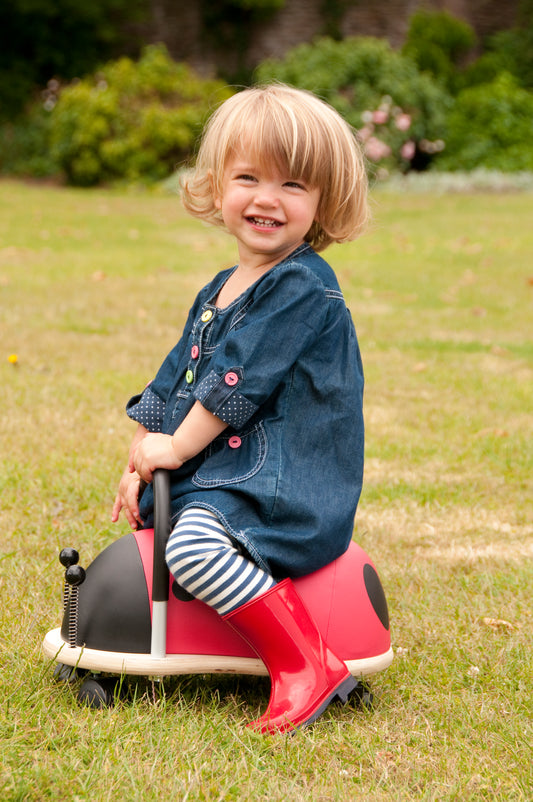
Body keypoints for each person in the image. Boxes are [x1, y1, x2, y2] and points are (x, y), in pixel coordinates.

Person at [112, 84, 369, 734]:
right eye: (248, 177)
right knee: (160, 527)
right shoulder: (217, 290)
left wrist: (174, 449)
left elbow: (235, 384)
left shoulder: (303, 288)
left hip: (280, 488)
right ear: (217, 187)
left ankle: (305, 664)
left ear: (322, 201)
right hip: (228, 474)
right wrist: (143, 458)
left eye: (292, 185)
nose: (265, 198)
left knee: (192, 548)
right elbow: (176, 380)